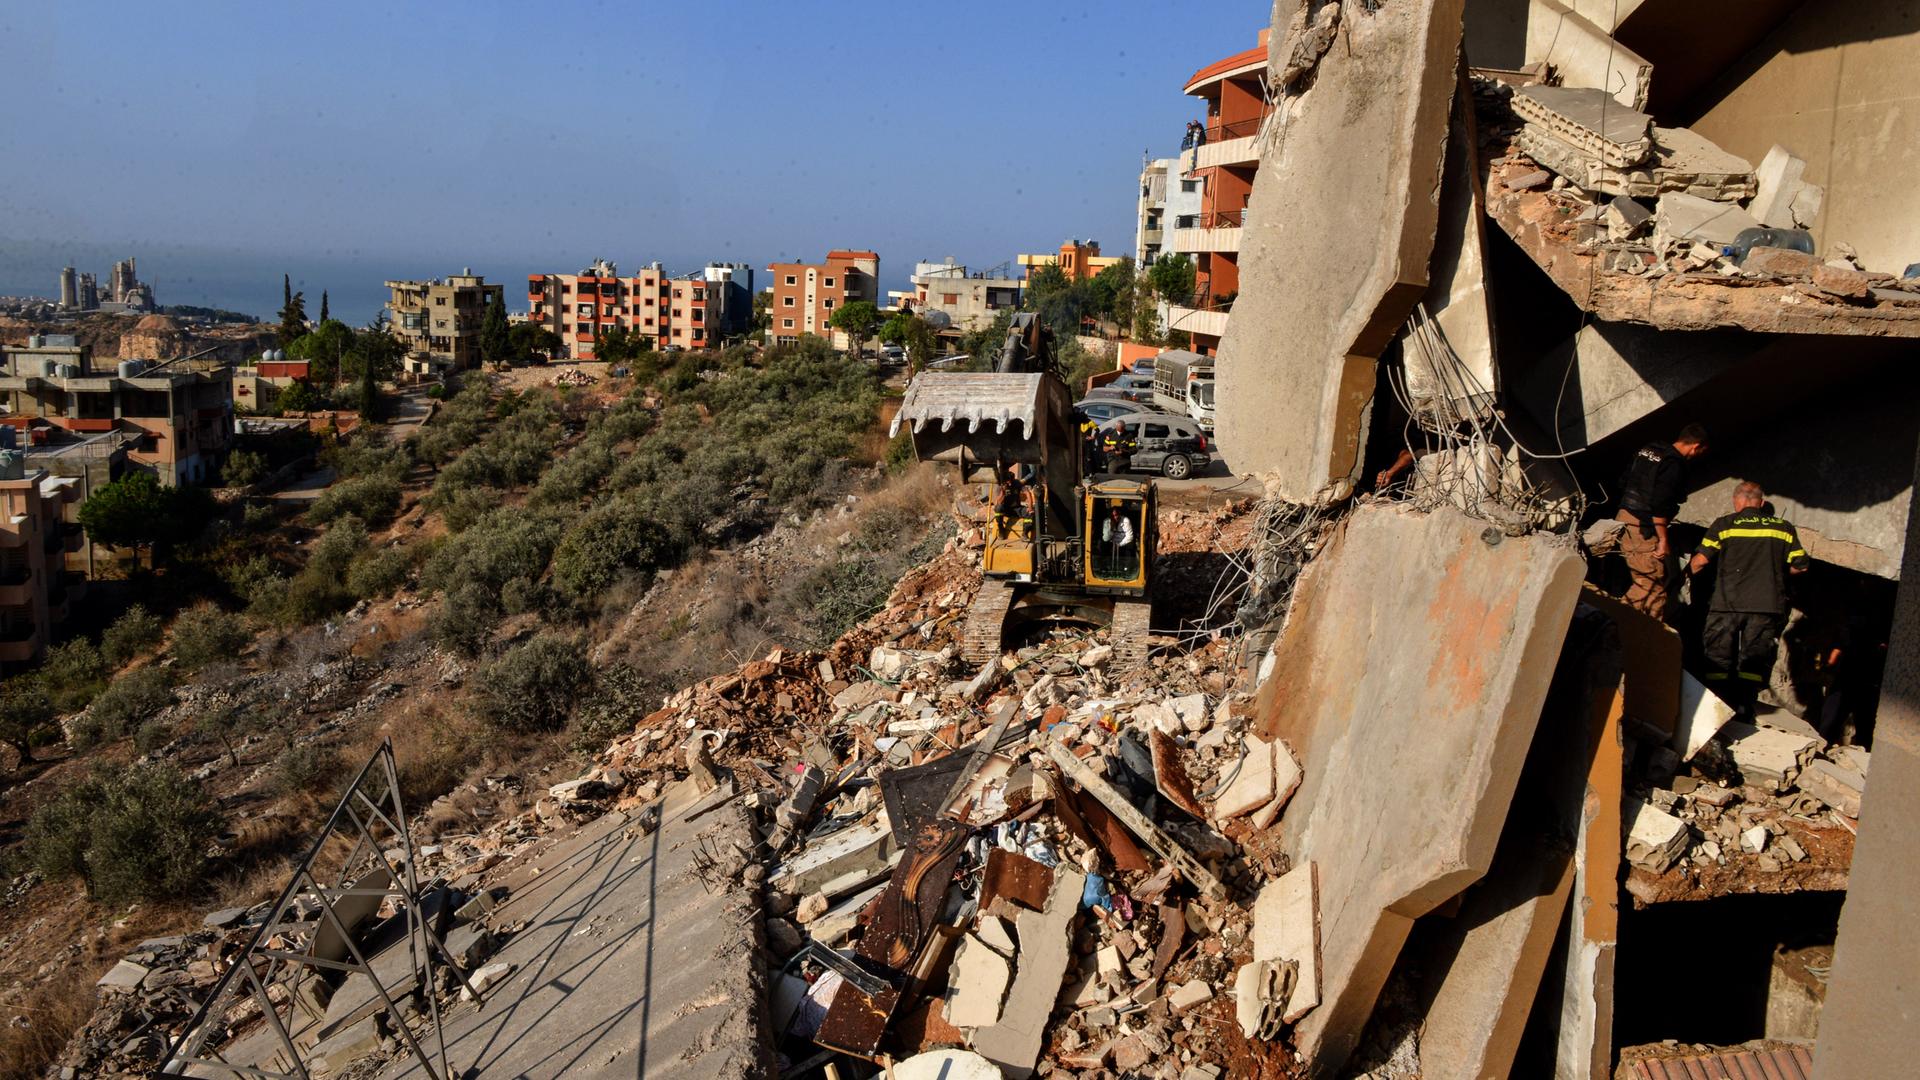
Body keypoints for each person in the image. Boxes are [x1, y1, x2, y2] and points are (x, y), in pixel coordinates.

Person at [1688, 481, 1808, 710]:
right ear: (1761, 503)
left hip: (1726, 605)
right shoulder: (1783, 528)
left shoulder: (1725, 525)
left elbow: (1700, 562)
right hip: (1766, 606)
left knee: (1718, 662)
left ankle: (1717, 708)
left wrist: (1684, 580)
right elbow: (1801, 566)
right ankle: (1745, 708)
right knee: (1752, 664)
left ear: (1737, 501)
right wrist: (1777, 574)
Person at [1615, 423, 1709, 621]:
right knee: (1652, 588)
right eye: (1700, 452)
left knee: (1647, 583)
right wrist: (1663, 539)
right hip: (1643, 527)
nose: (1698, 456)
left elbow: (1623, 481)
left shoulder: (1650, 449)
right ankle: (1614, 624)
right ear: (1696, 446)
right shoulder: (1674, 464)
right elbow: (1660, 504)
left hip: (1624, 518)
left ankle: (1625, 628)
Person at [1101, 505, 1137, 576]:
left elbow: (1130, 536)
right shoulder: (1107, 522)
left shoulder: (1126, 521)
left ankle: (1127, 569)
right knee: (1102, 546)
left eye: (1116, 515)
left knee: (1129, 548)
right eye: (1113, 516)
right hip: (1112, 542)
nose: (1115, 517)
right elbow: (1105, 538)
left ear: (1119, 514)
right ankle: (1106, 568)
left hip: (1123, 542)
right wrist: (1111, 527)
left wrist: (1120, 544)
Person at [992, 464, 1026, 538]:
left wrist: (1030, 507)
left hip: (1017, 509)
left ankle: (1025, 532)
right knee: (998, 508)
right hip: (1006, 510)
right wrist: (1003, 493)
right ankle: (1001, 528)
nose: (1010, 483)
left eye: (1011, 481)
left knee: (1030, 512)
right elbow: (997, 503)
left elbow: (1027, 492)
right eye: (1008, 482)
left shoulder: (1017, 483)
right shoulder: (1000, 487)